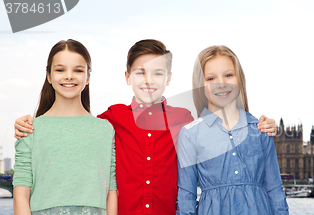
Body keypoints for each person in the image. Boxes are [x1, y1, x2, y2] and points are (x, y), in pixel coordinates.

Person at [14, 39, 278, 215]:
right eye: (140, 72)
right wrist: (27, 123)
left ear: (169, 78)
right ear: (127, 77)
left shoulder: (185, 119)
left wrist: (263, 124)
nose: (148, 80)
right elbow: (75, 127)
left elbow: (225, 124)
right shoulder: (110, 119)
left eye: (158, 73)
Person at [176, 45, 288, 215]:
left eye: (228, 75)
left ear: (239, 79)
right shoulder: (190, 134)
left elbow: (274, 189)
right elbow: (186, 197)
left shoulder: (260, 129)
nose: (221, 84)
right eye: (211, 78)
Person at [13, 39, 117, 215]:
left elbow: (111, 191)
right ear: (49, 76)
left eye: (78, 70)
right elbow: (21, 195)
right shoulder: (30, 129)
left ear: (88, 77)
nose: (69, 76)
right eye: (60, 70)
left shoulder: (105, 130)